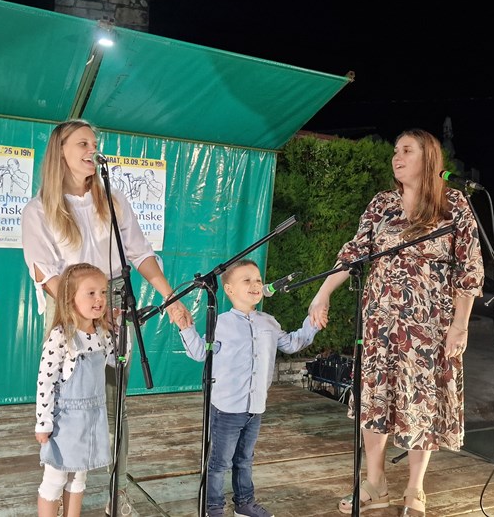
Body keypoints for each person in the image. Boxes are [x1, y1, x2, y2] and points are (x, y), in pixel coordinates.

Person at [307, 129, 484, 516]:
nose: (396, 157)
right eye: (395, 151)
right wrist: (323, 292)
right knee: (375, 400)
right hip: (381, 324)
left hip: (429, 327)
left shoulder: (454, 204)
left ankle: (415, 490)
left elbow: (469, 270)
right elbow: (354, 252)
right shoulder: (383, 203)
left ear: (429, 158)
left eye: (407, 150)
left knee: (421, 402)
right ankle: (375, 484)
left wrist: (461, 324)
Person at [22, 118, 194, 515]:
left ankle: (117, 493)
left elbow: (140, 252)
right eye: (82, 143)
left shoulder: (111, 200)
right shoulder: (39, 209)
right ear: (60, 151)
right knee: (69, 401)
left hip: (113, 301)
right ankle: (56, 485)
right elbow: (45, 273)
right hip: (69, 307)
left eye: (94, 143)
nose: (92, 149)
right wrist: (85, 311)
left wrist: (169, 297)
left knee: (114, 404)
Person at [177, 259, 320, 517]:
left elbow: (291, 343)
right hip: (226, 408)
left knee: (244, 459)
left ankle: (244, 504)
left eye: (258, 280)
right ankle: (213, 507)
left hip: (256, 406)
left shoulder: (269, 322)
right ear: (229, 289)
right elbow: (199, 352)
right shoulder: (219, 323)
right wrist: (186, 328)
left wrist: (313, 323)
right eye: (247, 280)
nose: (255, 285)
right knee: (220, 462)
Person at [34, 263, 117, 517]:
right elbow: (45, 382)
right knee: (55, 479)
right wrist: (43, 422)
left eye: (103, 292)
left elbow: (117, 361)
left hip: (91, 420)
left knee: (79, 479)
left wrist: (119, 329)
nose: (99, 299)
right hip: (66, 423)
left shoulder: (102, 333)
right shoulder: (61, 336)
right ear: (71, 298)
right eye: (91, 293)